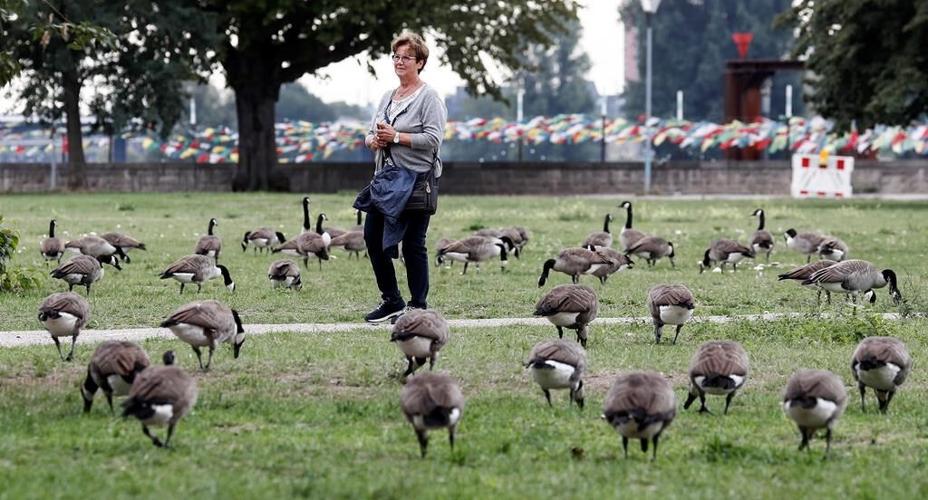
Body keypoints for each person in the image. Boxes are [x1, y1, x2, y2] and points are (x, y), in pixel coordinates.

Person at [362, 32, 447, 323]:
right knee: (372, 237)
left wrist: (397, 136)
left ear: (420, 62)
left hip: (415, 181)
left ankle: (419, 307)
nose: (399, 62)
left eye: (406, 57)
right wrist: (373, 140)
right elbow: (371, 131)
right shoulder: (388, 96)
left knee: (413, 243)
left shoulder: (430, 97)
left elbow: (433, 139)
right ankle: (392, 301)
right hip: (385, 182)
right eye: (396, 57)